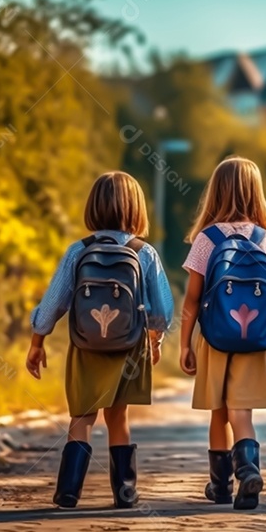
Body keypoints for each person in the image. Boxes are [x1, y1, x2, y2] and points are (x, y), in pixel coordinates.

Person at [26, 171, 174, 509]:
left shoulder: (78, 251)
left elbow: (53, 303)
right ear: (137, 209)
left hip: (85, 346)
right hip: (129, 346)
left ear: (92, 208)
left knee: (81, 417)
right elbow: (162, 309)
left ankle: (68, 491)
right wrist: (155, 338)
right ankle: (125, 491)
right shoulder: (144, 253)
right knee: (118, 416)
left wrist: (37, 341)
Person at [179, 157, 266, 510]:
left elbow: (192, 298)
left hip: (214, 339)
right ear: (256, 194)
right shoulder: (265, 239)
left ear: (215, 193)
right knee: (241, 412)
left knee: (218, 411)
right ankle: (248, 470)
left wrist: (185, 344)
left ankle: (221, 487)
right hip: (253, 341)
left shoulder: (206, 239)